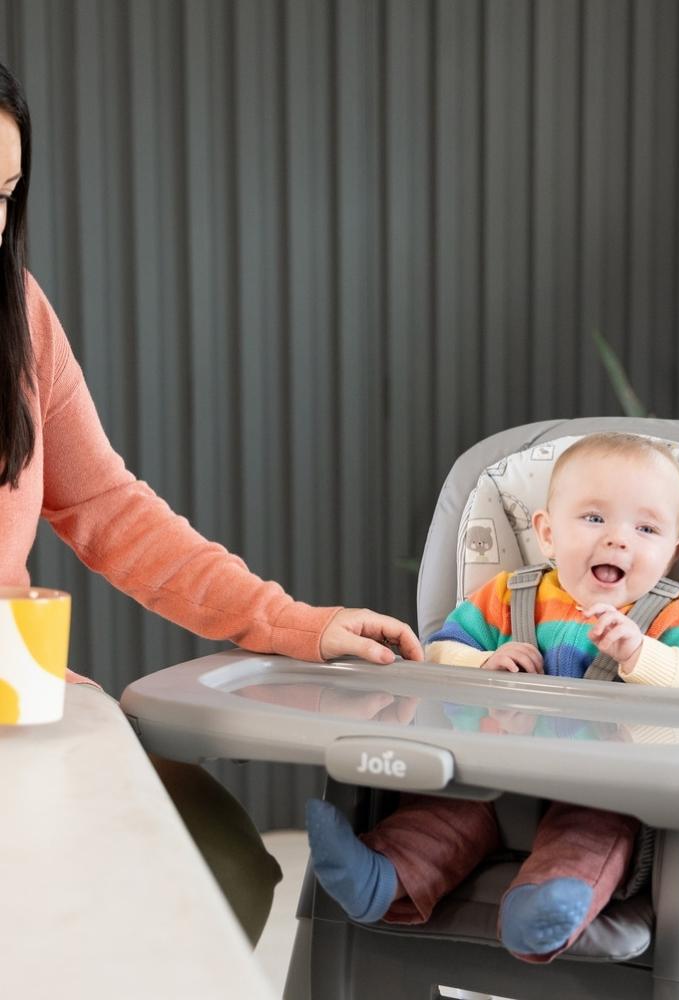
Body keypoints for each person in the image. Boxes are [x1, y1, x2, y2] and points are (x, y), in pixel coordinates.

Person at [0, 61, 423, 944]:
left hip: (20, 703)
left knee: (222, 860)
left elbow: (108, 506)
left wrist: (288, 621)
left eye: (4, 192)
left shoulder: (18, 313)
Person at [306, 432, 679, 962]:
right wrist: (485, 664)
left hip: (602, 791)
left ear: (672, 555)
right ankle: (380, 879)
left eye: (645, 528)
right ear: (547, 533)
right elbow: (436, 658)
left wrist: (639, 654)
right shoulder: (510, 594)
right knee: (436, 816)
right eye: (595, 519)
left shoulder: (677, 613)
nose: (620, 540)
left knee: (591, 841)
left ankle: (539, 911)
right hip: (486, 778)